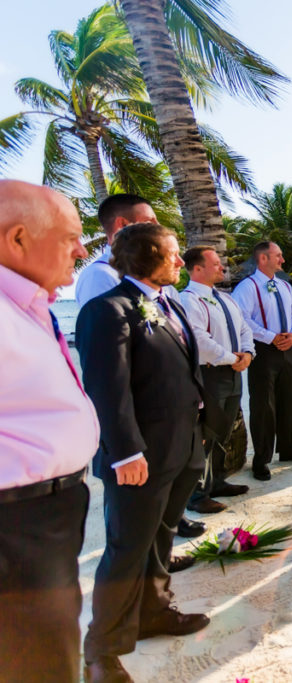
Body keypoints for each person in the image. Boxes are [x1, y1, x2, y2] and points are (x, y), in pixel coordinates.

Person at [76, 222, 210, 682]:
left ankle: (154, 613)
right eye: (173, 254)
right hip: (140, 458)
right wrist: (126, 453)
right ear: (148, 255)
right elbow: (107, 391)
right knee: (126, 549)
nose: (179, 261)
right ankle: (101, 652)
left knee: (161, 539)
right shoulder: (107, 310)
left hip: (182, 448)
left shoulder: (166, 303)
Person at [0, 180, 99, 683]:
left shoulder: (26, 305)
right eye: (71, 237)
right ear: (17, 239)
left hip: (45, 516)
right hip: (15, 528)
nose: (82, 250)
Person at [74, 193, 203, 542]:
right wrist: (126, 449)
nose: (179, 260)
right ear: (125, 228)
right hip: (144, 434)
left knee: (155, 533)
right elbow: (108, 377)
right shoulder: (104, 286)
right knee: (130, 540)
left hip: (173, 432)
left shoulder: (160, 292)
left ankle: (156, 585)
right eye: (149, 222)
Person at [233, 241, 292, 481]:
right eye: (278, 256)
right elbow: (243, 319)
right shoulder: (247, 287)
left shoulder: (285, 286)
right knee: (263, 405)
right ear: (263, 259)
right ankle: (261, 459)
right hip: (262, 350)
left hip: (289, 348)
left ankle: (289, 448)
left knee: (291, 398)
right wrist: (271, 337)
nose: (282, 260)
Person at [180, 247, 255, 514]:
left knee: (225, 429)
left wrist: (248, 353)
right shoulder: (189, 300)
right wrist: (230, 357)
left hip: (233, 371)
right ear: (197, 269)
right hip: (210, 373)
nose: (222, 267)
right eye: (215, 264)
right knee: (206, 434)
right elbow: (199, 340)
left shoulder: (226, 299)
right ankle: (196, 494)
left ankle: (218, 480)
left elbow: (244, 327)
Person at [75, 193, 179, 307]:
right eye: (149, 222)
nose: (158, 226)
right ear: (123, 224)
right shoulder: (99, 275)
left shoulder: (160, 274)